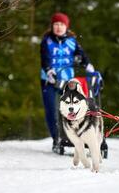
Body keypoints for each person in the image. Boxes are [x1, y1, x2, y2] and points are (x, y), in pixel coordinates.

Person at [40, 12, 95, 151]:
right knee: (51, 110)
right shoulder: (46, 40)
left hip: (67, 81)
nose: (59, 27)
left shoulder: (72, 41)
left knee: (71, 108)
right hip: (49, 80)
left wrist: (87, 64)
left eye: (62, 24)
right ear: (52, 26)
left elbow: (81, 55)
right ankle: (56, 139)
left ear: (66, 27)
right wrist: (48, 70)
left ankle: (74, 136)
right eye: (56, 24)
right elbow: (44, 58)